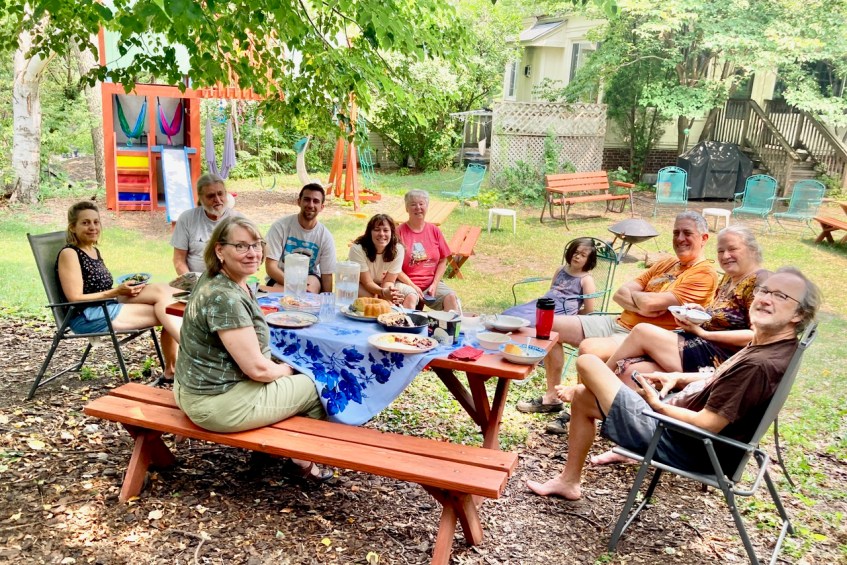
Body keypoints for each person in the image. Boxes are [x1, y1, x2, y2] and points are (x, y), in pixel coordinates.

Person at [526, 267, 820, 500]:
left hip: (681, 442)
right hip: (682, 431)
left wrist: (657, 405)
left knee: (589, 362)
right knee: (582, 395)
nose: (765, 299)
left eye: (780, 296)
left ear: (799, 314)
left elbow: (708, 424)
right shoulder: (771, 346)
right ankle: (568, 482)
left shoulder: (759, 364)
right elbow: (721, 377)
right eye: (764, 290)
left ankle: (571, 398)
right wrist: (678, 377)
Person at [517, 212, 719, 424]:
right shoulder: (667, 263)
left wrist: (640, 299)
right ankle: (552, 397)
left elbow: (648, 303)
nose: (680, 238)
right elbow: (620, 293)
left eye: (687, 233)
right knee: (549, 325)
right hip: (617, 322)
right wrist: (642, 303)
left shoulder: (704, 274)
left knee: (590, 348)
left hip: (642, 338)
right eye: (676, 232)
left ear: (704, 238)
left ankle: (579, 406)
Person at [174, 216, 331, 482]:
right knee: (318, 384)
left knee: (293, 376)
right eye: (241, 246)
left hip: (192, 388)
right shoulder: (225, 298)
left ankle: (269, 449)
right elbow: (257, 369)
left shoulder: (215, 279)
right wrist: (286, 370)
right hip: (216, 403)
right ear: (219, 250)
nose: (253, 253)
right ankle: (300, 461)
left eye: (257, 244)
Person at [57, 201, 181, 377]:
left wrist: (126, 289)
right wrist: (116, 292)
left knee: (163, 290)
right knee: (169, 312)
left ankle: (175, 366)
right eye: (85, 223)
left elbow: (99, 287)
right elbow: (74, 297)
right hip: (87, 316)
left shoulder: (93, 250)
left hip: (106, 303)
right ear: (72, 227)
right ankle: (189, 356)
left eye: (96, 222)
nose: (93, 227)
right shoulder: (70, 253)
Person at [502, 237, 598, 322]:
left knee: (530, 321)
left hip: (562, 313)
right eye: (576, 252)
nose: (577, 256)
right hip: (545, 304)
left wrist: (572, 314)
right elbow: (552, 290)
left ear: (589, 260)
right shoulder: (561, 269)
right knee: (509, 314)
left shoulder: (586, 280)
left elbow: (589, 310)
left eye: (583, 255)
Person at [265, 183, 336, 293]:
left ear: (322, 207)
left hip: (310, 277)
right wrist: (295, 285)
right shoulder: (280, 227)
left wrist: (327, 300)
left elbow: (327, 274)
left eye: (316, 201)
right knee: (286, 296)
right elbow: (271, 266)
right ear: (299, 202)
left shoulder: (325, 237)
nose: (311, 205)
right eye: (307, 200)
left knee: (308, 293)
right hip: (281, 275)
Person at [396, 190, 459, 311]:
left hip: (430, 284)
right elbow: (393, 267)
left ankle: (450, 323)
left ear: (427, 206)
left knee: (451, 297)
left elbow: (443, 260)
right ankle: (407, 323)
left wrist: (435, 284)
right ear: (406, 208)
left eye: (421, 204)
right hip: (405, 283)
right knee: (411, 297)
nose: (418, 207)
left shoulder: (434, 230)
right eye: (413, 204)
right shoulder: (398, 232)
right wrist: (412, 286)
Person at [171, 173, 241, 275]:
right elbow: (179, 261)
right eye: (211, 196)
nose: (217, 200)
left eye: (220, 194)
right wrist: (194, 283)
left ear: (226, 194)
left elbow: (246, 258)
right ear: (201, 198)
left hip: (230, 280)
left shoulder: (238, 220)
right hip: (195, 281)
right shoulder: (187, 219)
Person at [348, 214, 417, 304]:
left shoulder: (398, 249)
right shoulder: (358, 249)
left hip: (384, 284)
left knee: (411, 296)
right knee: (375, 300)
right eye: (377, 230)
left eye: (386, 230)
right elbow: (367, 282)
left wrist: (389, 293)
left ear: (392, 232)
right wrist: (384, 294)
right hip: (359, 283)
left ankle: (403, 313)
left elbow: (389, 280)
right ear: (369, 232)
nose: (381, 234)